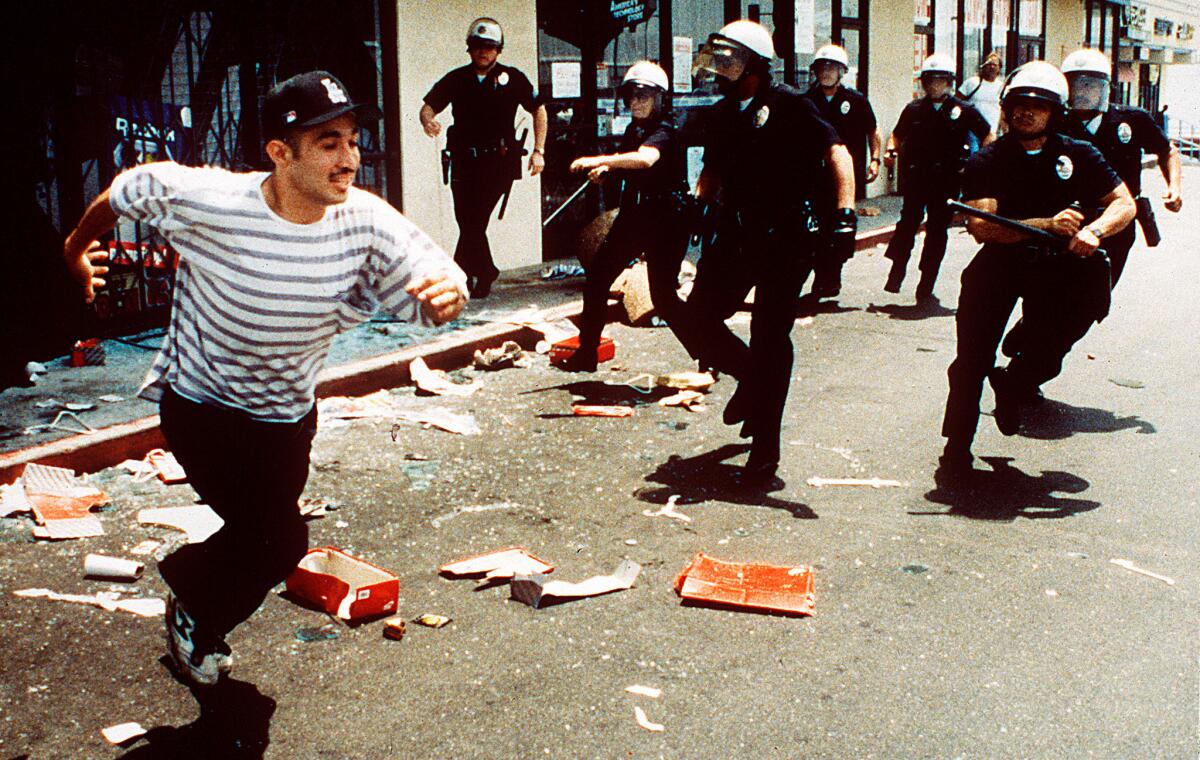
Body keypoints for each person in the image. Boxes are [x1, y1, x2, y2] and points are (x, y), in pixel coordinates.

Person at [61, 71, 468, 686]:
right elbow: (126, 190)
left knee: (266, 536)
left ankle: (198, 596)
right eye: (328, 142)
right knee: (277, 540)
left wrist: (450, 291)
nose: (349, 158)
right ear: (281, 153)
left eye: (354, 141)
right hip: (202, 405)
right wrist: (73, 248)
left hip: (285, 415)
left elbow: (431, 268)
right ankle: (195, 609)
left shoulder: (363, 220)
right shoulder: (212, 201)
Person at [938, 62, 1135, 475]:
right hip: (999, 267)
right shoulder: (989, 159)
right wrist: (1047, 225)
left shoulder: (1079, 153)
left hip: (1057, 270)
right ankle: (957, 445)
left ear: (1054, 112)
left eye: (1038, 107)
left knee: (1053, 347)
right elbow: (983, 228)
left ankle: (1013, 385)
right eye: (1018, 105)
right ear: (1007, 108)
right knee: (971, 359)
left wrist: (1095, 232)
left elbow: (1124, 203)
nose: (1026, 113)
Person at [688, 20, 856, 485]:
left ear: (756, 67)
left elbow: (838, 155)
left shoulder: (791, 105)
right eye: (717, 61)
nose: (720, 71)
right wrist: (698, 203)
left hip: (786, 237)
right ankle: (751, 380)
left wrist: (845, 214)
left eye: (730, 62)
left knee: (769, 336)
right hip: (738, 233)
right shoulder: (721, 114)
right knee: (698, 317)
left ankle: (765, 453)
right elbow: (713, 171)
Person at [559, 62, 702, 372]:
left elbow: (645, 159)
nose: (636, 102)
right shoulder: (633, 130)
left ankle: (708, 355)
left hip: (667, 219)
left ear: (660, 98)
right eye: (631, 96)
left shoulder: (668, 127)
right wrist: (606, 172)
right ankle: (587, 354)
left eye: (643, 95)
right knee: (596, 280)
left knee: (664, 298)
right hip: (635, 215)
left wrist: (599, 159)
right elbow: (625, 167)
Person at [420, 17, 548, 298]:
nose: (483, 52)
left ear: (498, 50)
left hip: (497, 164)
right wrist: (428, 121)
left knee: (474, 221)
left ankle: (461, 274)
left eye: (489, 47)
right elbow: (428, 107)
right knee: (467, 221)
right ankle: (484, 269)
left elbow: (539, 110)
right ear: (469, 49)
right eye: (478, 47)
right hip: (464, 164)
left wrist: (539, 151)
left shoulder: (512, 78)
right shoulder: (457, 78)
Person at [1057, 47, 1182, 286]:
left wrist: (1173, 186)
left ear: (1104, 87)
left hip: (1117, 222)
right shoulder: (1057, 123)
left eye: (1091, 85)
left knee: (1097, 294)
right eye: (1077, 85)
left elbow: (1167, 150)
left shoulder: (1131, 119)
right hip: (1069, 219)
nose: (1084, 92)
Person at [883, 53, 994, 301]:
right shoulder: (914, 109)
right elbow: (897, 134)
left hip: (947, 180)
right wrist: (891, 150)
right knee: (907, 224)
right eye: (930, 80)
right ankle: (896, 269)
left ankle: (926, 282)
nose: (934, 85)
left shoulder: (963, 110)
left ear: (950, 82)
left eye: (940, 80)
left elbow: (988, 134)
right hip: (917, 176)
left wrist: (979, 163)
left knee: (936, 230)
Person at [801, 44, 882, 298]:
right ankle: (823, 277)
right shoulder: (805, 101)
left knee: (838, 228)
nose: (826, 72)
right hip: (814, 176)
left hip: (844, 178)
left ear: (841, 72)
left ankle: (831, 276)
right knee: (815, 229)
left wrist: (876, 159)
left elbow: (873, 130)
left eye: (832, 67)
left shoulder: (855, 100)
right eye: (822, 67)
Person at [958, 52, 1004, 134]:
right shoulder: (972, 82)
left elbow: (1004, 110)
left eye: (995, 65)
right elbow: (957, 101)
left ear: (999, 68)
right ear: (984, 66)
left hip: (992, 132)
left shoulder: (1002, 87)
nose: (992, 67)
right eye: (989, 64)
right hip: (972, 130)